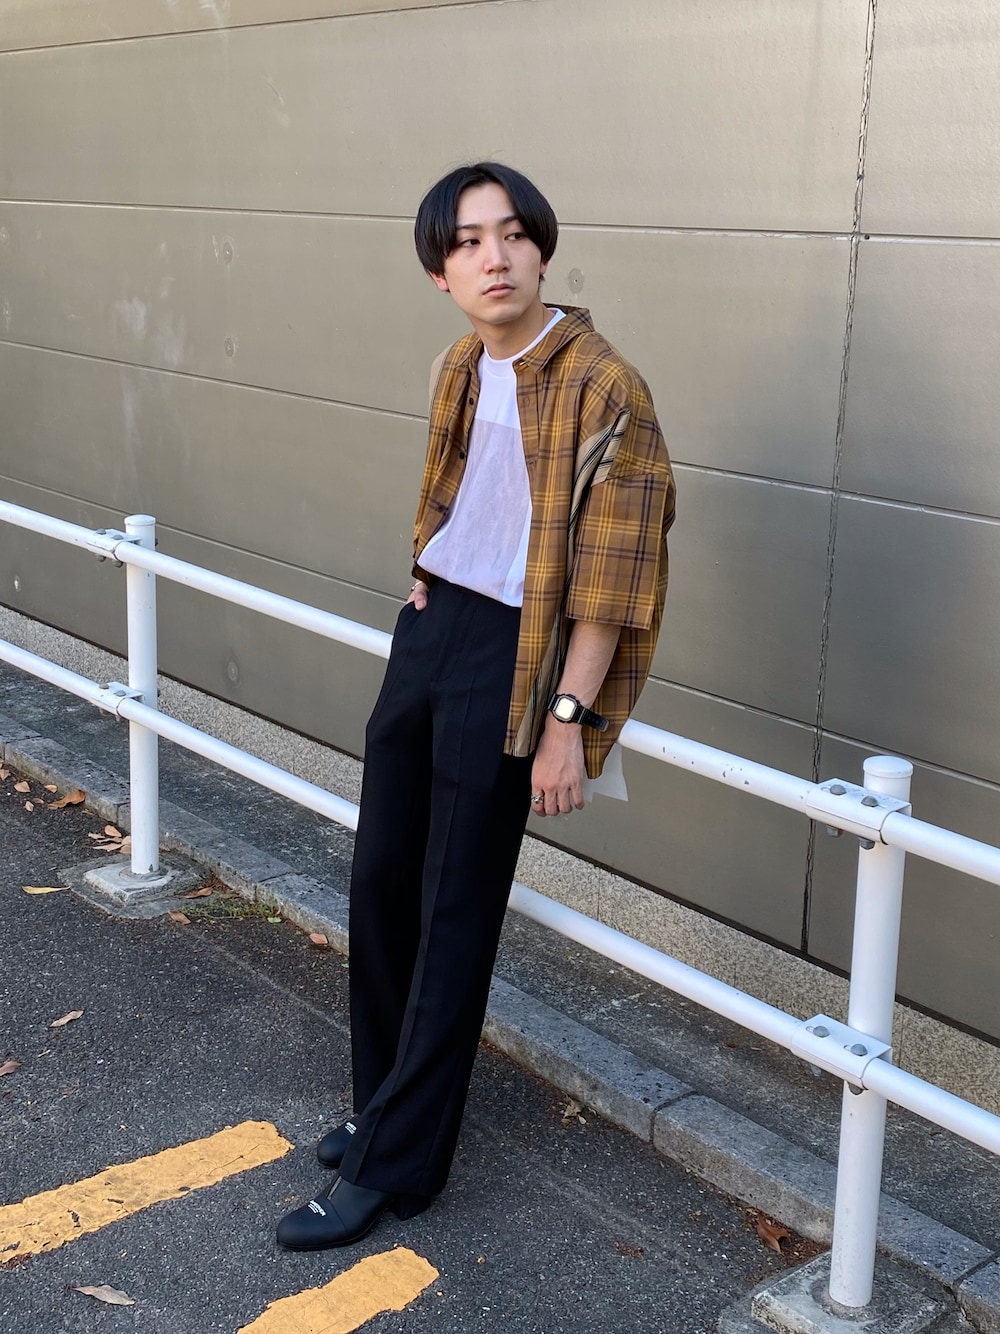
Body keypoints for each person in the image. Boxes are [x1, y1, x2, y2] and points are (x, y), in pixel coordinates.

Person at [277, 162, 675, 1251]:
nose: (491, 258)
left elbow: (614, 582)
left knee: (454, 902)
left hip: (521, 650)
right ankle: (382, 1104)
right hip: (437, 627)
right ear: (440, 272)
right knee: (382, 876)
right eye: (465, 242)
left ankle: (396, 1164)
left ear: (542, 248)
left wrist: (567, 722)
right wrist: (425, 567)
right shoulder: (462, 361)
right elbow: (449, 485)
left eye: (510, 235)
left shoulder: (606, 388)